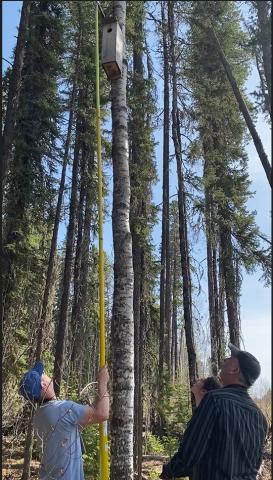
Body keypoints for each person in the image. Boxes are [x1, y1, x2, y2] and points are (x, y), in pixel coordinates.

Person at [159, 343, 268, 480]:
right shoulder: (260, 417)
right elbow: (255, 464)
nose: (224, 360)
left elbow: (190, 453)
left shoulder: (215, 400)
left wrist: (168, 471)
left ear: (235, 369)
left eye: (230, 358)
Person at [19, 361, 109, 479]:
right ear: (43, 384)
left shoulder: (39, 416)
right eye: (44, 374)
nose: (47, 375)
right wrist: (103, 382)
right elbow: (102, 413)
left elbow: (85, 419)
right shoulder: (63, 409)